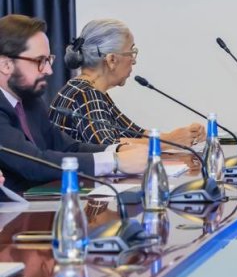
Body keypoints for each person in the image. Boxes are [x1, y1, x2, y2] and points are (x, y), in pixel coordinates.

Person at [0, 14, 146, 193]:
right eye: (40, 61)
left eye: (48, 60)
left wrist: (117, 149)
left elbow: (68, 146)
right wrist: (115, 162)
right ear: (6, 65)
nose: (49, 70)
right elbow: (33, 163)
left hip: (43, 202)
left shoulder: (30, 101)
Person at [48, 19, 204, 147]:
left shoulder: (88, 90)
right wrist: (170, 141)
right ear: (112, 60)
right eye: (131, 52)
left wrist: (184, 136)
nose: (134, 61)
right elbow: (110, 148)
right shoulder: (85, 95)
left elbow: (135, 134)